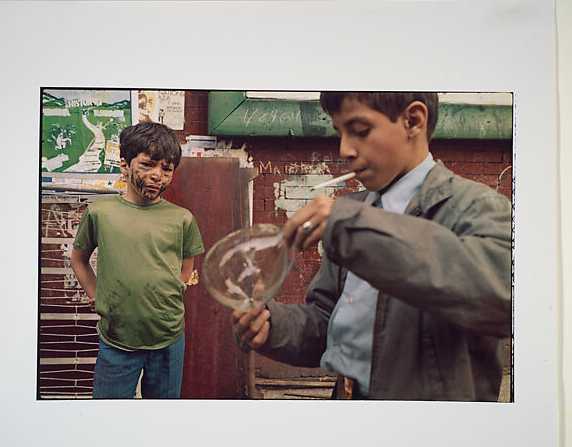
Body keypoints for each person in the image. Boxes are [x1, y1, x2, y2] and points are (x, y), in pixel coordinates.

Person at [232, 92, 512, 401]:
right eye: (340, 133)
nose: (345, 150)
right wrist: (273, 326)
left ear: (413, 120)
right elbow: (331, 324)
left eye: (360, 131)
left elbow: (501, 299)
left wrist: (354, 225)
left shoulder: (477, 206)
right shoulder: (351, 212)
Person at [71, 122, 204, 399]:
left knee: (162, 420)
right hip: (117, 339)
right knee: (108, 419)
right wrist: (96, 295)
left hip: (168, 337)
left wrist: (174, 288)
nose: (158, 175)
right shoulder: (100, 212)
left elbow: (187, 263)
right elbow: (79, 258)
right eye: (147, 164)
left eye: (167, 169)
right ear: (124, 165)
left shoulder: (182, 218)